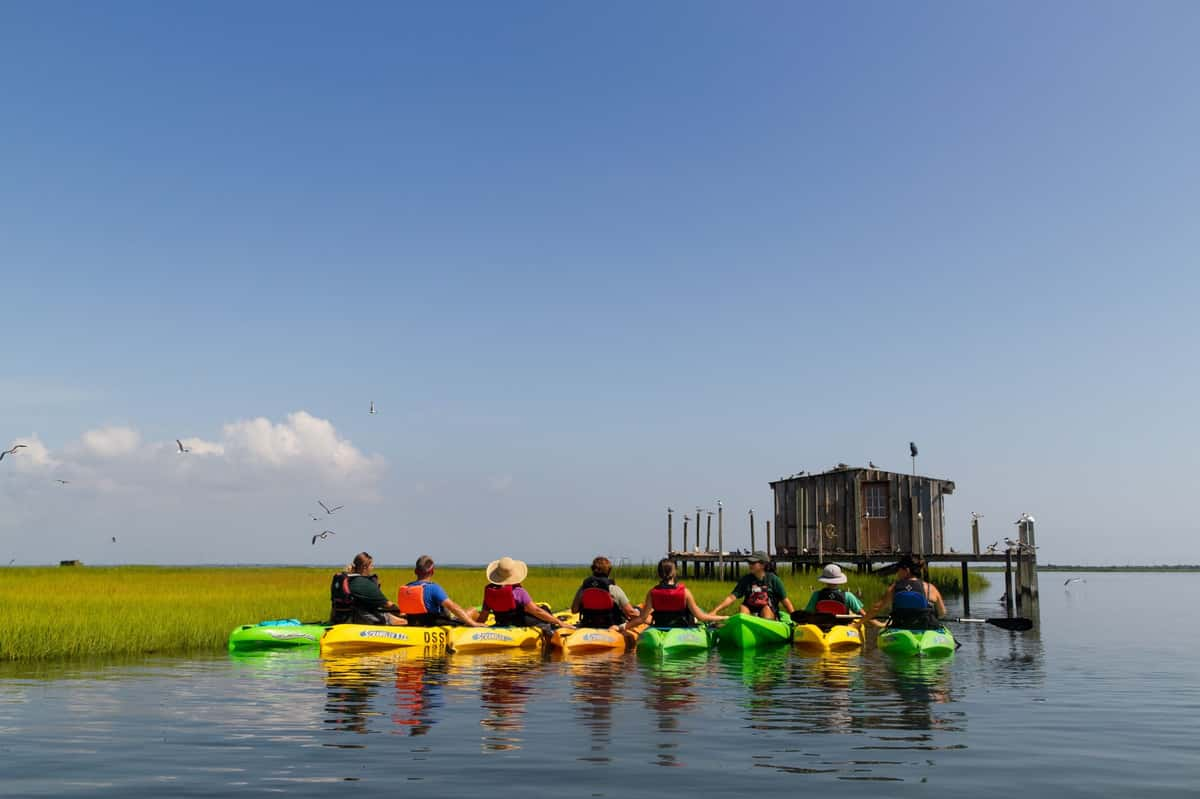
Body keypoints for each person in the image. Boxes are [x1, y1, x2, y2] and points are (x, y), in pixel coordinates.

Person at [473, 556, 571, 631]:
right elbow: (536, 611)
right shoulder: (519, 592)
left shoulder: (490, 591)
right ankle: (549, 628)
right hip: (521, 623)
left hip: (501, 621)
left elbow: (483, 616)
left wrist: (475, 624)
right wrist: (559, 622)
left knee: (543, 609)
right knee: (544, 609)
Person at [625, 559, 724, 628]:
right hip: (682, 627)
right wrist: (724, 617)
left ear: (659, 574)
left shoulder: (652, 593)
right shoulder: (685, 592)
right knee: (699, 612)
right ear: (674, 572)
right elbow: (701, 617)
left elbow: (642, 618)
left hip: (660, 626)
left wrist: (622, 627)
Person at [395, 555, 484, 627]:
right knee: (472, 611)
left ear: (415, 571)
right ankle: (478, 627)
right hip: (435, 624)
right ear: (432, 572)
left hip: (413, 622)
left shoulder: (406, 588)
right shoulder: (433, 588)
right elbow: (453, 607)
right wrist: (473, 623)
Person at [862, 554, 947, 629]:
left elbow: (876, 608)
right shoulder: (930, 588)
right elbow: (942, 612)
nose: (897, 573)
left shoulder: (894, 587)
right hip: (925, 628)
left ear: (906, 570)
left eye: (898, 570)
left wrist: (858, 624)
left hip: (900, 627)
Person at [710, 551, 794, 620]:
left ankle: (764, 627)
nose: (750, 565)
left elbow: (786, 602)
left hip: (768, 613)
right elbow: (731, 598)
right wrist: (715, 611)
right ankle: (745, 626)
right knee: (742, 607)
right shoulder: (746, 580)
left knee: (766, 609)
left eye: (753, 563)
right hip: (750, 610)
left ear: (762, 565)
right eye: (749, 562)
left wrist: (795, 619)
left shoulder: (774, 580)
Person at [330, 552, 405, 625]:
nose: (372, 568)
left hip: (345, 619)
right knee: (404, 621)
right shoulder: (364, 583)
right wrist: (404, 613)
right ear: (365, 567)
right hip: (365, 619)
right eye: (371, 565)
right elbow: (387, 605)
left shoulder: (345, 580)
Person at [570, 556, 638, 630]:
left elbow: (574, 610)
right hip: (611, 627)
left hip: (588, 624)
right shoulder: (613, 589)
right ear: (609, 571)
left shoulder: (583, 587)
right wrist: (641, 617)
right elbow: (630, 612)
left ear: (592, 569)